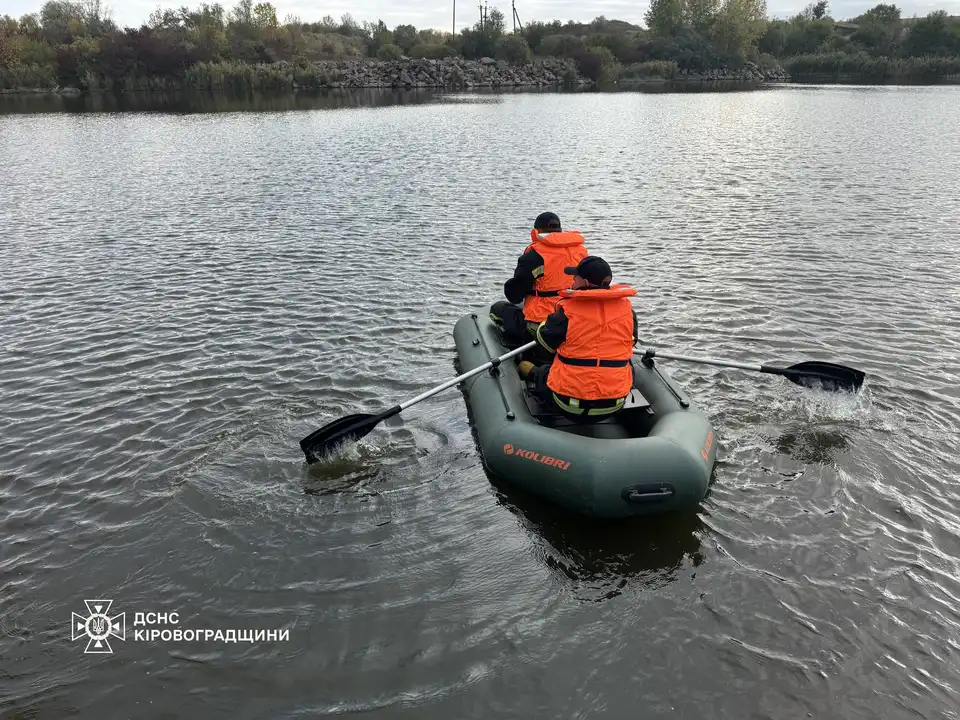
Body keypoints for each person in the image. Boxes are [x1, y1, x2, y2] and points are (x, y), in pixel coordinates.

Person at [518, 255, 639, 421]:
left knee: (544, 373)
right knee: (626, 362)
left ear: (585, 283)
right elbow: (631, 341)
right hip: (616, 402)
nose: (573, 280)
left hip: (568, 403)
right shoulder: (627, 311)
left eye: (576, 277)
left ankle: (531, 372)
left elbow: (544, 342)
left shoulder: (567, 312)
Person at [489, 212, 589, 355]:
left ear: (536, 231)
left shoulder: (534, 257)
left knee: (498, 309)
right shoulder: (582, 252)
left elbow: (513, 295)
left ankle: (515, 349)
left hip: (542, 322)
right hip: (574, 318)